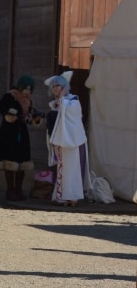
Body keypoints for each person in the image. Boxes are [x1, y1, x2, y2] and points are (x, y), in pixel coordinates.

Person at [0, 75, 42, 201]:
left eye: (30, 89)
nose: (28, 91)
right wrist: (10, 112)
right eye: (26, 88)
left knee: (22, 161)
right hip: (8, 132)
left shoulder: (28, 100)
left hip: (21, 132)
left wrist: (33, 118)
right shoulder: (10, 96)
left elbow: (28, 115)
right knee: (10, 160)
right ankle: (10, 190)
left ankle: (19, 190)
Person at [45, 71, 90, 205]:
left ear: (64, 87)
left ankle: (72, 196)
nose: (54, 89)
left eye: (57, 85)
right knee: (63, 169)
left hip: (73, 141)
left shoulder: (72, 101)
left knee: (73, 169)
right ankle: (63, 196)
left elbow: (73, 119)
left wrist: (62, 101)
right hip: (61, 142)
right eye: (53, 86)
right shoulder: (56, 104)